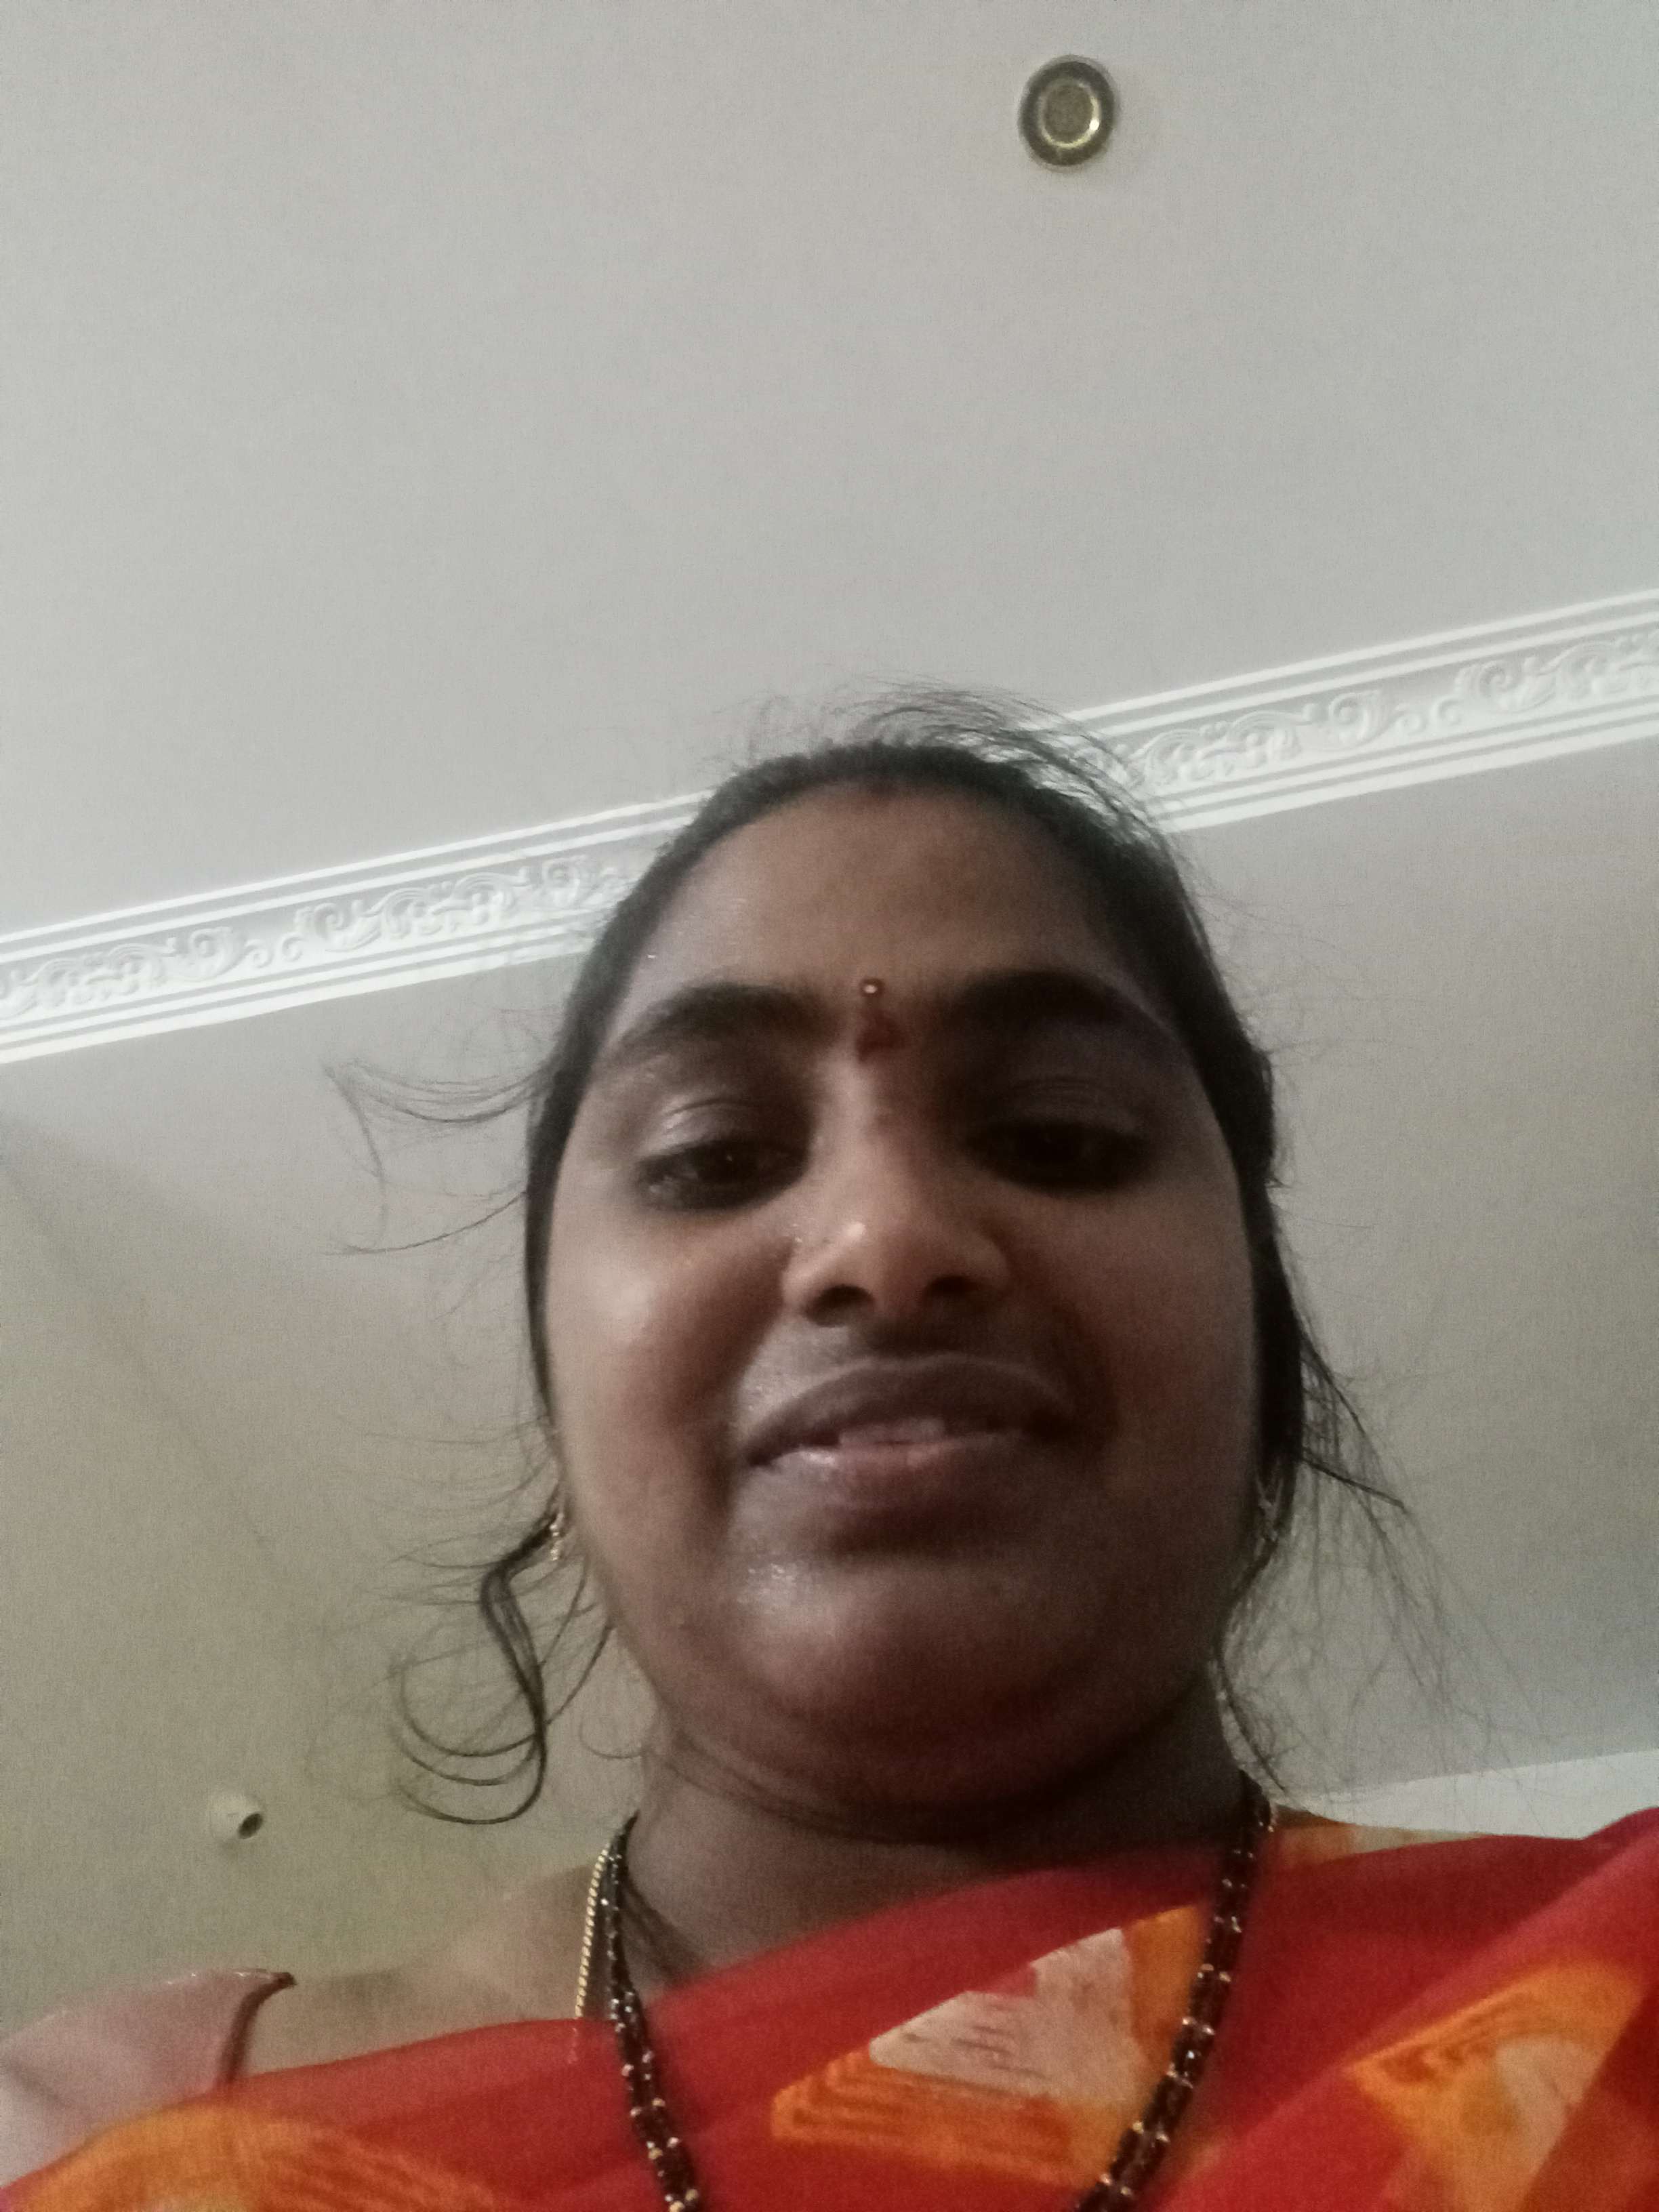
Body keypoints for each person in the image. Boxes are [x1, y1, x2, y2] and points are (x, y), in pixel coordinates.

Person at [3, 696, 1656, 2211]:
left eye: (1059, 1136)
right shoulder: (95, 2137)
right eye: (713, 1156)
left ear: (1267, 1382)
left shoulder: (1616, 2001)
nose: (884, 1236)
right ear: (565, 1424)